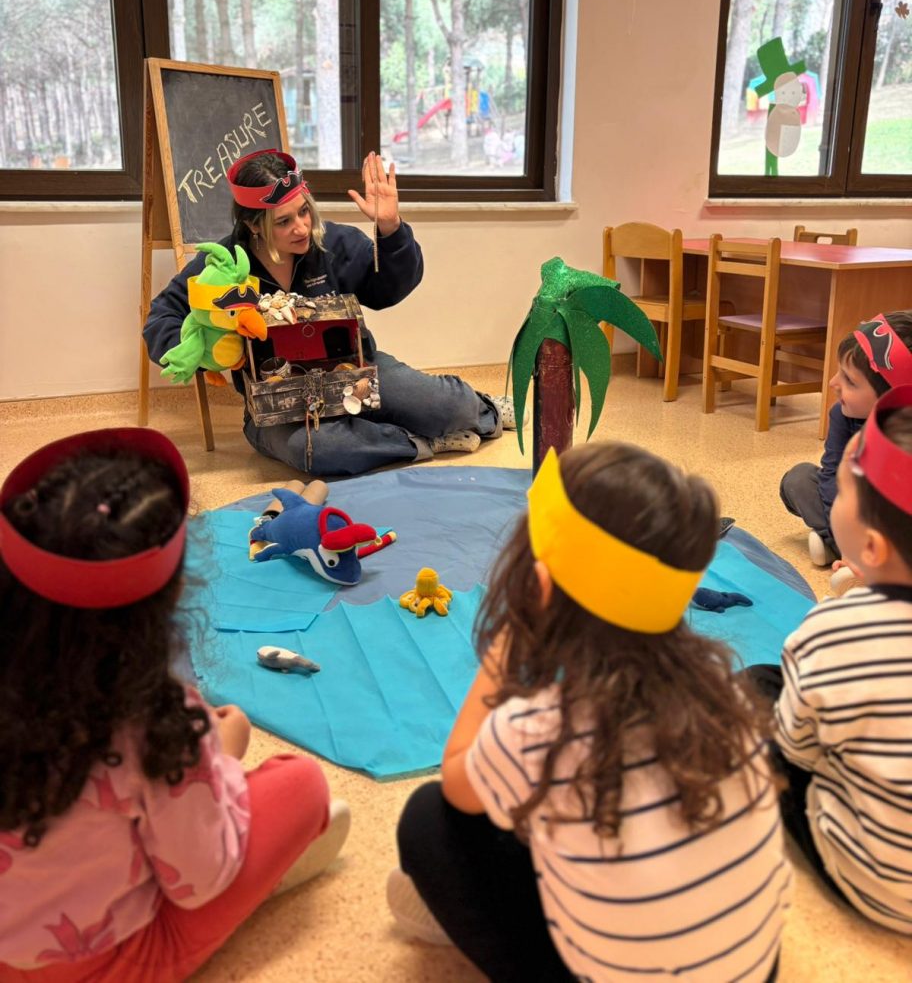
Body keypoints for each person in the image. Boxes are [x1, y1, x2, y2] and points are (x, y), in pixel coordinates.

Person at [389, 442, 790, 983]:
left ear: (539, 588)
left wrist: (506, 650)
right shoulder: (731, 699)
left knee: (427, 818)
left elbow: (458, 785)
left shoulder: (534, 729)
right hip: (754, 970)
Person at [0, 428, 349, 982]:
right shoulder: (155, 720)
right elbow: (198, 881)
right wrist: (220, 759)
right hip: (106, 964)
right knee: (302, 785)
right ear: (167, 601)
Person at [143, 150, 512, 478]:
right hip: (278, 403)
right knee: (317, 449)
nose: (301, 227)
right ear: (253, 225)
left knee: (447, 407)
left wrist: (390, 228)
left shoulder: (333, 242)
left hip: (360, 372)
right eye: (283, 222)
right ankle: (420, 443)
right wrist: (207, 350)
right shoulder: (224, 267)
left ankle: (485, 410)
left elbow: (388, 290)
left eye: (304, 211)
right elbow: (162, 317)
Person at [755, 387, 912, 934]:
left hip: (877, 882)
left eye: (840, 492)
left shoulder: (831, 631)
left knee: (758, 686)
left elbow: (797, 748)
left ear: (871, 549)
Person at [779, 311, 912, 573]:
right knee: (798, 481)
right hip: (856, 508)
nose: (833, 383)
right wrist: (850, 539)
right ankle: (846, 549)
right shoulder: (841, 415)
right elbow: (831, 476)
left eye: (850, 381)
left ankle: (846, 551)